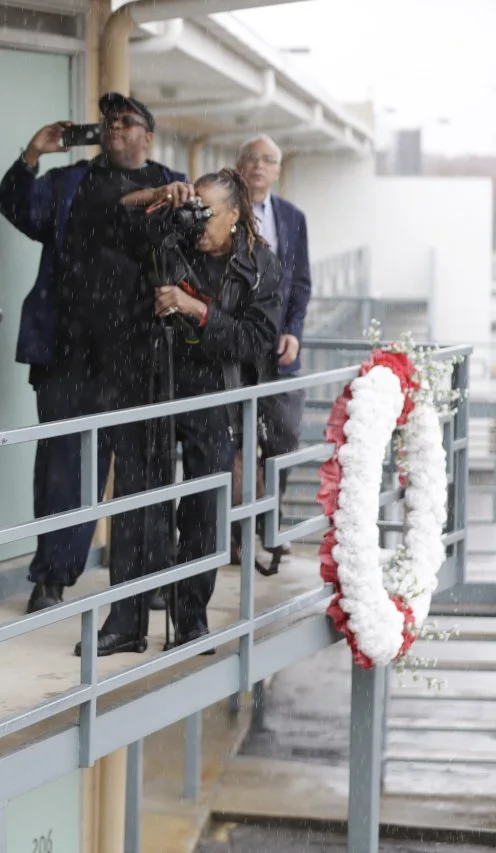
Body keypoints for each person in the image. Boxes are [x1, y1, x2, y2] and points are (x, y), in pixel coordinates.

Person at [0, 93, 185, 616]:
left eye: (128, 123)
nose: (116, 130)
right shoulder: (69, 183)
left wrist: (181, 203)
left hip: (141, 356)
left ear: (148, 134)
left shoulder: (173, 185)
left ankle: (150, 578)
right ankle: (52, 576)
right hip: (68, 354)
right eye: (110, 123)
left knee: (143, 471)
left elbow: (202, 242)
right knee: (65, 470)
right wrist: (32, 155)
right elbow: (17, 207)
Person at [107, 169, 283, 649]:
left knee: (204, 510)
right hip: (153, 380)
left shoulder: (260, 264)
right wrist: (162, 196)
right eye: (193, 207)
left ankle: (191, 620)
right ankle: (125, 622)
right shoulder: (168, 235)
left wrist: (197, 310)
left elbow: (256, 340)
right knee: (139, 501)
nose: (197, 220)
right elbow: (110, 220)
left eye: (207, 212)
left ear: (236, 214)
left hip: (216, 391)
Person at [234, 135, 312, 573]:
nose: (260, 166)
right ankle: (234, 534)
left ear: (278, 170)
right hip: (232, 352)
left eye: (269, 160)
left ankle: (271, 530)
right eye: (252, 159)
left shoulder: (292, 218)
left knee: (281, 440)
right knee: (232, 445)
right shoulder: (223, 210)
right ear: (239, 165)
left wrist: (294, 334)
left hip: (279, 354)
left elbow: (300, 285)